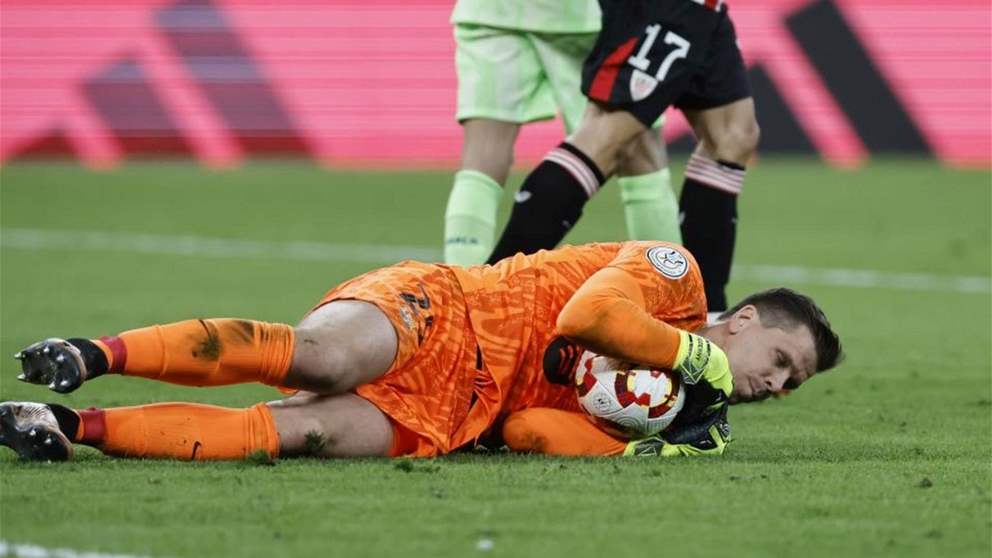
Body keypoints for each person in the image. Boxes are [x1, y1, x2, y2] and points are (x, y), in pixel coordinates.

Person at [0, 242, 841, 462]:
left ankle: (69, 424)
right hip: (448, 309)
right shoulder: (676, 278)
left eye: (789, 385)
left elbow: (531, 433)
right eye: (781, 360)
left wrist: (644, 449)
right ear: (743, 319)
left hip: (458, 410)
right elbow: (588, 314)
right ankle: (92, 351)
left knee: (305, 432)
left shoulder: (671, 409)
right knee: (323, 359)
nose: (774, 384)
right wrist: (699, 362)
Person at [488, 0, 760, 314]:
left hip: (705, 9)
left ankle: (704, 313)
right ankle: (483, 295)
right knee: (606, 135)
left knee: (734, 135)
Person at [443, 0, 682, 267]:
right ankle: (672, 284)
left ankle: (459, 284)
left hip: (492, 12)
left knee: (482, 154)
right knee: (641, 154)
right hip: (589, 16)